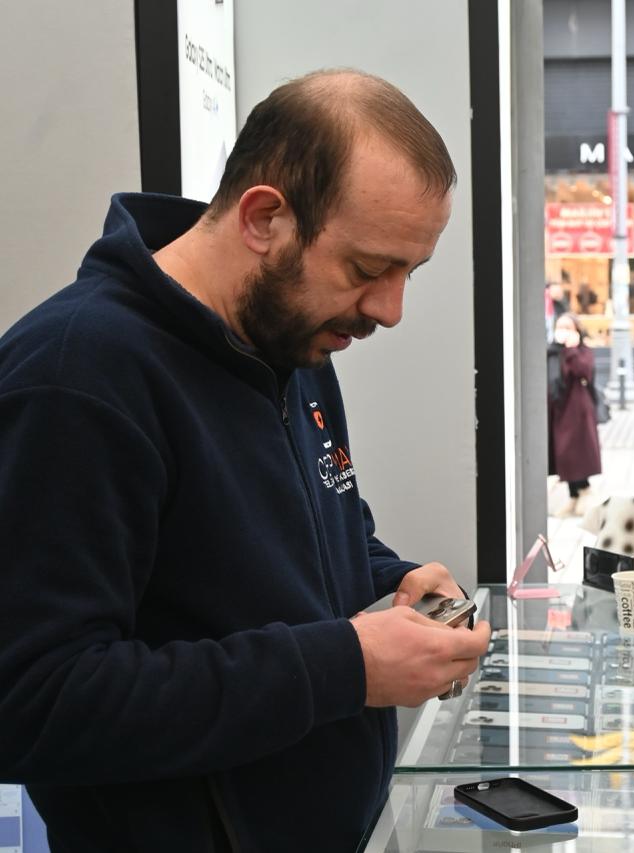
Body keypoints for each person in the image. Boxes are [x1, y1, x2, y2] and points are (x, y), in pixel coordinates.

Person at [0, 70, 494, 850]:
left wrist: (390, 576)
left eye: (409, 273)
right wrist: (343, 665)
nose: (389, 310)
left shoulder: (291, 341)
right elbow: (35, 700)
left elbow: (317, 523)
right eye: (368, 270)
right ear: (265, 217)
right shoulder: (77, 377)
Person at [548, 313, 603, 517]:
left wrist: (571, 349)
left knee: (576, 452)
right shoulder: (552, 351)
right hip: (558, 408)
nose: (563, 331)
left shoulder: (582, 351)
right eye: (560, 326)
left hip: (578, 410)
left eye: (568, 327)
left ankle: (583, 492)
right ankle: (575, 495)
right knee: (564, 454)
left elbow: (584, 371)